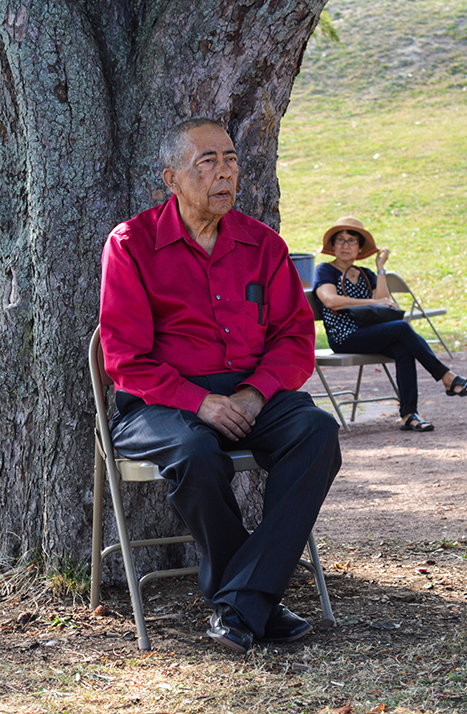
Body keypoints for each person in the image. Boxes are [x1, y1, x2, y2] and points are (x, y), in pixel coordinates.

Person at [100, 118, 341, 653]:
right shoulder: (132, 245)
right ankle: (251, 598)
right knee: (194, 451)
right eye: (206, 162)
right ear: (171, 178)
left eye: (230, 159)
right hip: (160, 401)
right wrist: (199, 402)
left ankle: (238, 602)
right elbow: (125, 358)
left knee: (317, 432)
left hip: (251, 393)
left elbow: (295, 337)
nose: (224, 171)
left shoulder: (264, 245)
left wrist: (254, 393)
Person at [312, 217, 467, 432]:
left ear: (360, 247)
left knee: (403, 348)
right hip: (344, 336)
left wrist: (381, 269)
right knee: (401, 329)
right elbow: (330, 301)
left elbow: (386, 304)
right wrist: (373, 301)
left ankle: (409, 415)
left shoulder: (366, 274)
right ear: (333, 246)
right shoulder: (325, 270)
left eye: (352, 241)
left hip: (369, 334)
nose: (346, 246)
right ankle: (446, 377)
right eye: (341, 240)